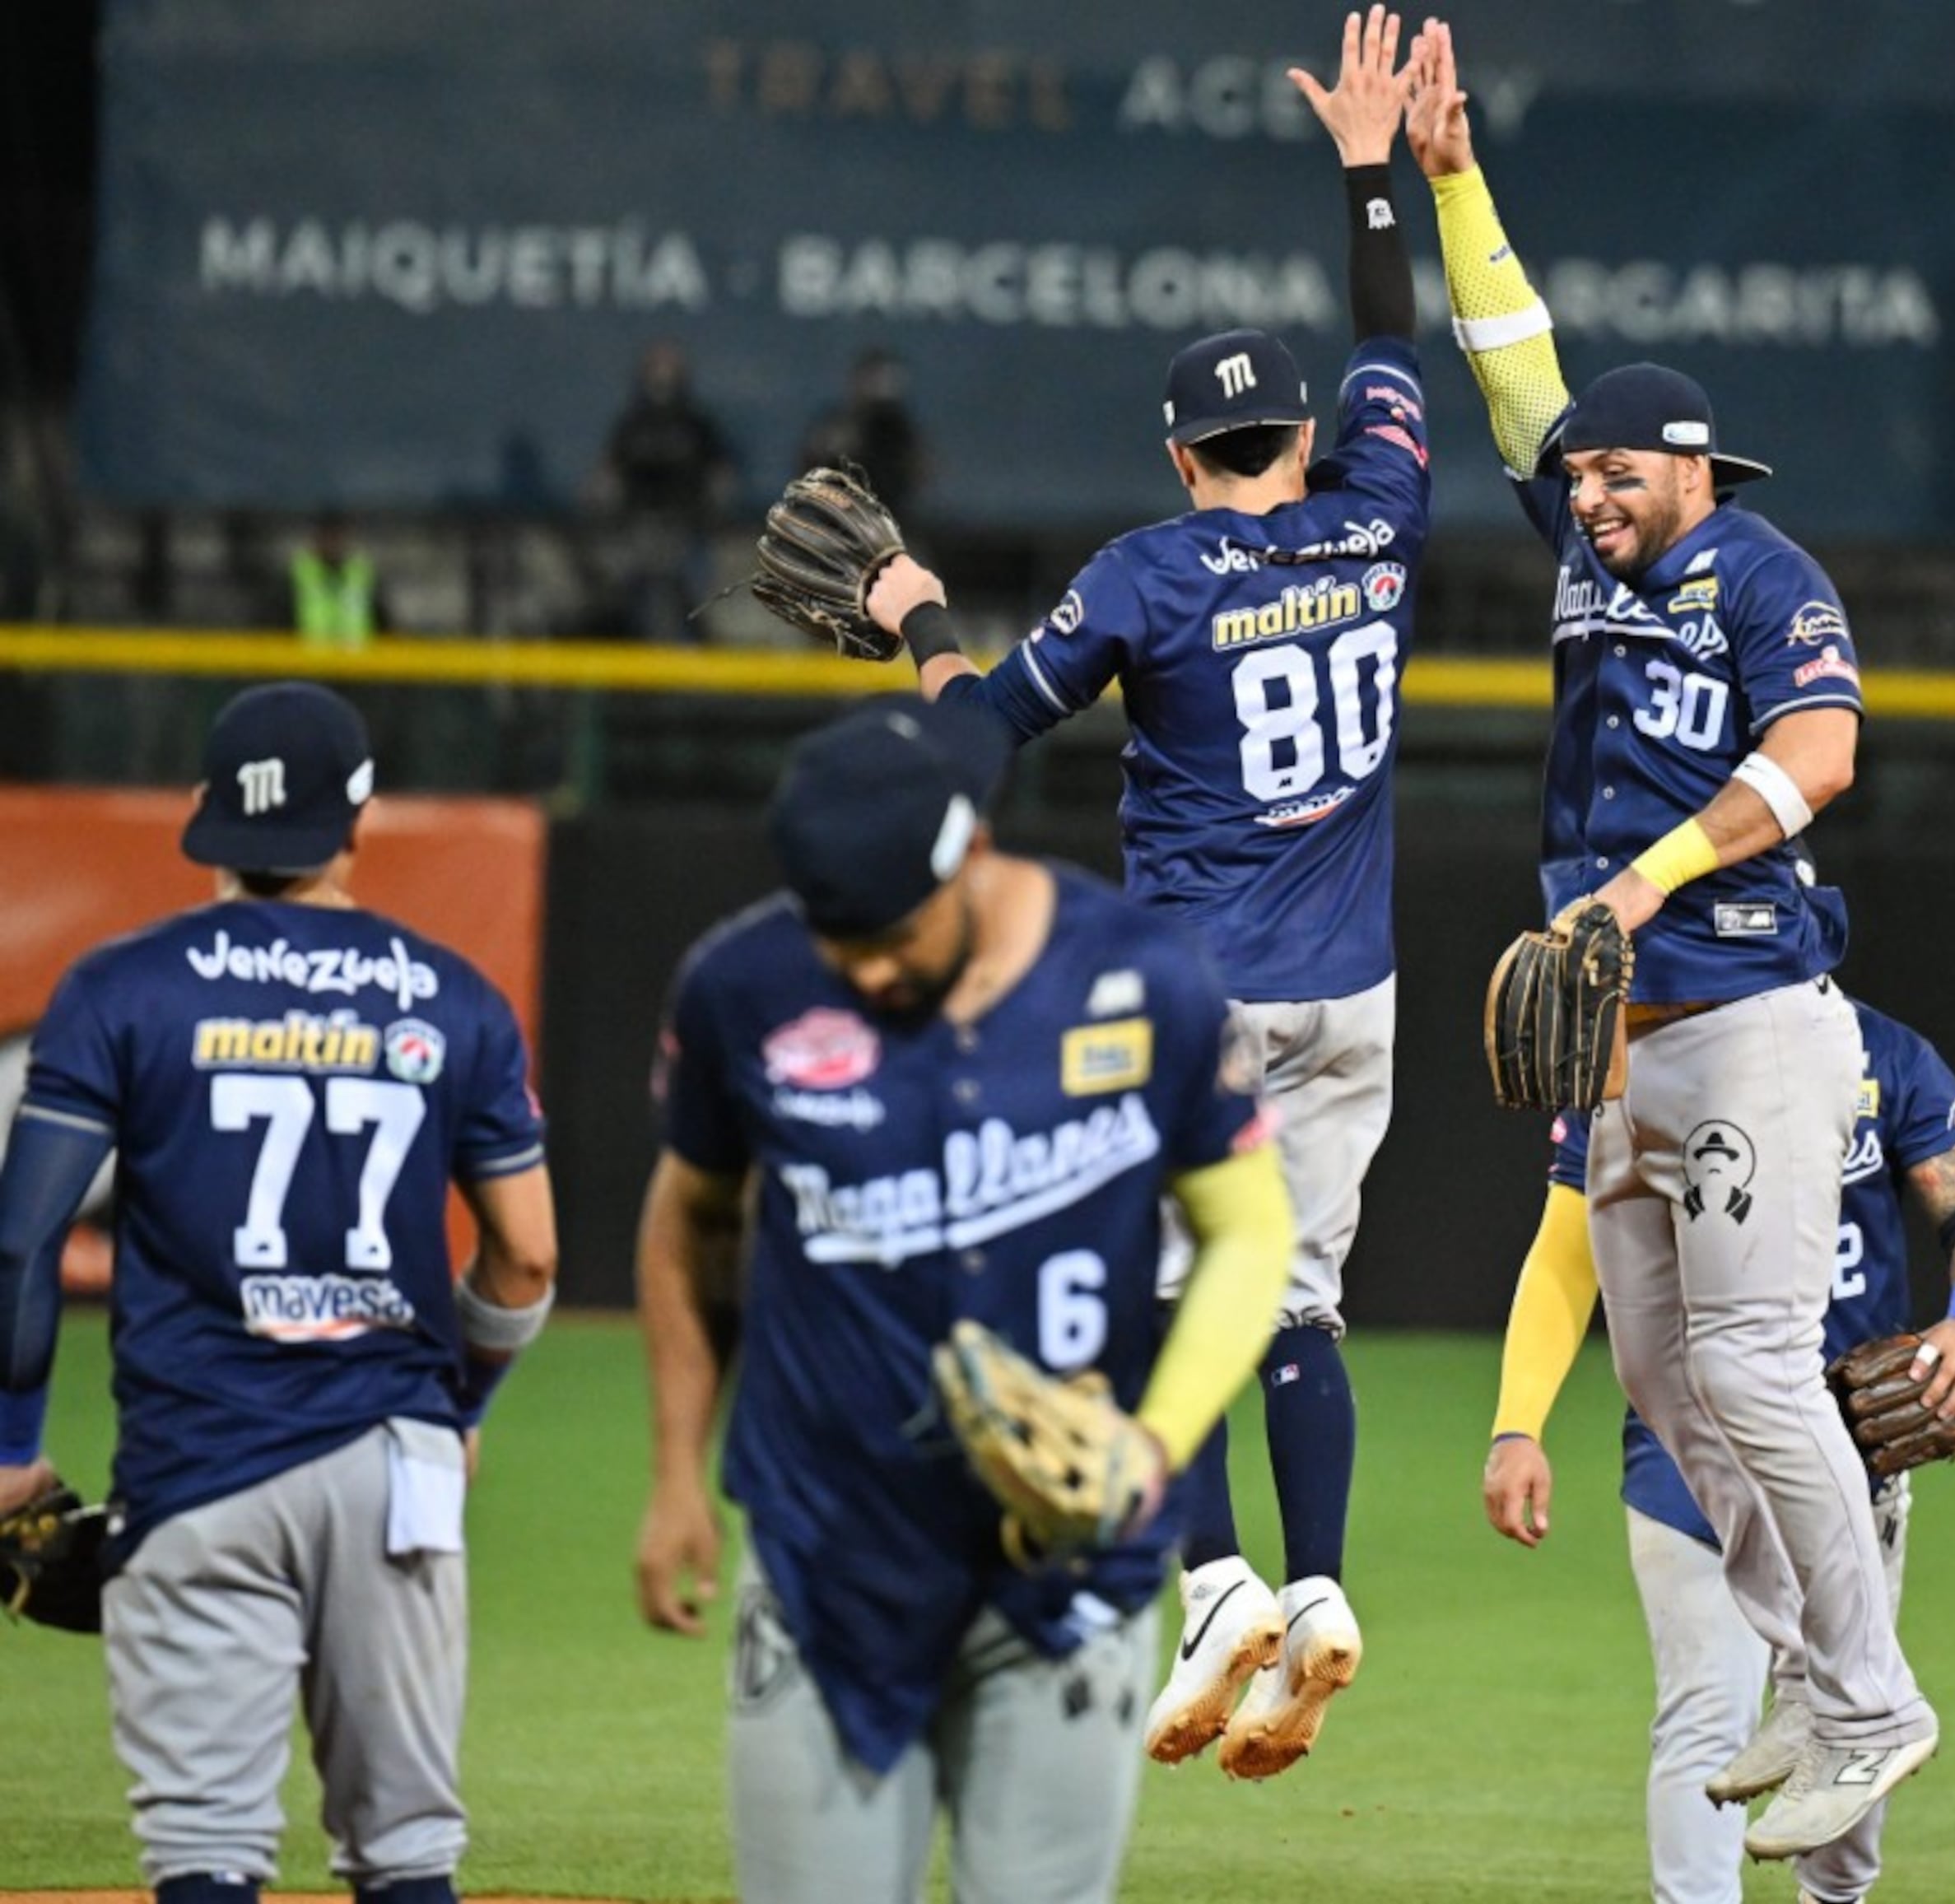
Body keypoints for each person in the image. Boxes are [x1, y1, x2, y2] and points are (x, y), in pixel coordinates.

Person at [860, 5, 1431, 1781]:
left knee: (1118, 1289)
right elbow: (1391, 338)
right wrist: (1366, 174)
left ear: (1186, 454)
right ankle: (1318, 1586)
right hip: (1356, 996)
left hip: (1198, 994)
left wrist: (914, 626)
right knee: (1296, 1303)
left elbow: (980, 753)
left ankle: (1210, 1584)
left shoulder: (1148, 570)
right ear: (1299, 438)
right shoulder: (1381, 514)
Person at [1403, 18, 1947, 1857]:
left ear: (1689, 467)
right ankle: (1808, 1674)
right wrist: (1451, 179)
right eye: (1574, 476)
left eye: (1612, 472)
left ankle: (1874, 1699)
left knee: (1755, 1362)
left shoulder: (1764, 579)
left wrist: (1634, 886)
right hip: (1625, 1044)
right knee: (1659, 1378)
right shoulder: (1581, 546)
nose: (1582, 489)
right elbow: (1508, 364)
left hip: (1743, 1015)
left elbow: (1820, 752)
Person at [631, 696, 1294, 1904]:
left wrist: (1155, 1450)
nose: (866, 966)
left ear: (970, 855)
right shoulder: (746, 985)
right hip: (829, 1554)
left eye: (892, 934)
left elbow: (1247, 1229)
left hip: (1068, 1563)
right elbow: (691, 1222)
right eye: (840, 941)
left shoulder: (1142, 977)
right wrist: (679, 1467)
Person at [0, 682, 557, 1904]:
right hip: (395, 1467)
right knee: (407, 1852)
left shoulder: (120, 989)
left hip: (198, 1462)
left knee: (206, 1850)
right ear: (358, 819)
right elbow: (525, 1256)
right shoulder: (456, 998)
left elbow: (22, 1242)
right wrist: (456, 1415)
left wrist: (10, 1449)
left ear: (208, 816)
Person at [1483, 996, 1955, 1904]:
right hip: (1686, 1450)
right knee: (1704, 1720)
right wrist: (1516, 1422)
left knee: (1853, 1729)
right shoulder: (1632, 1063)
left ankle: (1834, 1896)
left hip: (1847, 1447)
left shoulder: (1875, 1056)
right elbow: (1566, 1251)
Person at [586, 338, 739, 640]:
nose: (662, 377)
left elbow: (722, 478)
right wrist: (604, 504)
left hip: (686, 531)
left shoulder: (696, 425)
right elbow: (606, 478)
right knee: (628, 602)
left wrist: (712, 513)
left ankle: (692, 665)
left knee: (692, 605)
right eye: (656, 368)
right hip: (638, 530)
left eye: (669, 368)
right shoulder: (632, 425)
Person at [798, 347, 929, 524]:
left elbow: (920, 473)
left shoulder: (902, 430)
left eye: (887, 381)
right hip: (841, 519)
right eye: (874, 380)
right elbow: (810, 464)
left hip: (893, 520)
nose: (880, 387)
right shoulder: (840, 422)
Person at [285, 511, 392, 648]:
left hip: (357, 660)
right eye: (327, 536)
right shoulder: (299, 573)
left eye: (336, 536)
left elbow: (382, 618)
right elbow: (280, 618)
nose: (332, 543)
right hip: (309, 661)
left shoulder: (362, 572)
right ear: (316, 539)